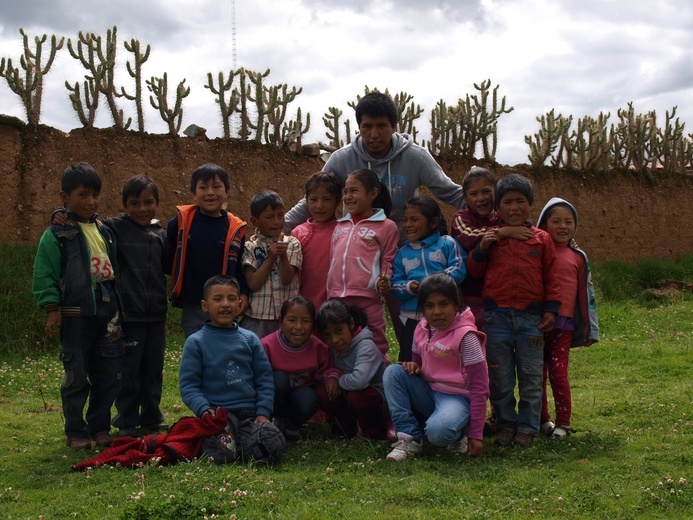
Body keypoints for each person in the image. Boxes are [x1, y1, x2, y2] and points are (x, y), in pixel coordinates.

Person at [50, 175, 170, 437]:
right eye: (134, 203)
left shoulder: (162, 234)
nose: (142, 209)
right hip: (128, 315)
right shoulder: (114, 227)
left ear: (158, 203)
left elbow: (172, 267)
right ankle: (126, 419)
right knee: (128, 370)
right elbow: (85, 222)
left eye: (148, 202)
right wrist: (60, 213)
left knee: (152, 369)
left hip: (157, 315)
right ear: (124, 205)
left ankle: (152, 415)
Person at [284, 91, 464, 241]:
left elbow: (450, 192)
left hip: (402, 251)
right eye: (367, 126)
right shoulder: (342, 159)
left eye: (381, 126)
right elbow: (313, 200)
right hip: (356, 250)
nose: (374, 134)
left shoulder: (415, 157)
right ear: (359, 127)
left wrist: (489, 212)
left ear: (394, 126)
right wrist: (273, 230)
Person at [32, 163, 124, 450]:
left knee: (107, 375)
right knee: (75, 376)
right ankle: (76, 431)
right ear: (65, 196)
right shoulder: (57, 235)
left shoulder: (105, 230)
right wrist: (51, 310)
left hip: (109, 315)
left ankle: (100, 427)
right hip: (75, 316)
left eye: (95, 194)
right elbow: (45, 273)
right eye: (83, 195)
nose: (91, 201)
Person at [467, 173, 561, 447]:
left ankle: (528, 426)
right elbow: (473, 271)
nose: (514, 208)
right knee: (500, 376)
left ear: (531, 205)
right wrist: (482, 248)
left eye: (521, 201)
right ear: (498, 208)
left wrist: (551, 310)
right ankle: (506, 423)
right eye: (507, 202)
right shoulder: (492, 237)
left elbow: (551, 277)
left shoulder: (541, 239)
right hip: (496, 318)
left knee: (531, 376)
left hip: (531, 319)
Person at [179, 274, 285, 463]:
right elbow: (189, 386)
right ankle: (213, 440)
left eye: (232, 299)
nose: (225, 304)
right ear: (205, 305)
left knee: (265, 451)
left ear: (240, 304)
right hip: (217, 415)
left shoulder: (250, 339)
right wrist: (203, 409)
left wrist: (262, 413)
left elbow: (264, 380)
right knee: (222, 455)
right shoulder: (196, 342)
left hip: (249, 415)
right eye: (218, 299)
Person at [383, 272, 489, 461]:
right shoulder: (421, 328)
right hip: (429, 393)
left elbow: (480, 388)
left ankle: (460, 432)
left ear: (456, 302)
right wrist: (413, 365)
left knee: (438, 434)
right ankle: (409, 439)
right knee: (393, 372)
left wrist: (476, 433)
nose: (437, 312)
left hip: (457, 399)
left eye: (443, 304)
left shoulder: (467, 337)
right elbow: (417, 362)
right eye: (429, 306)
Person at [537, 197, 600, 440]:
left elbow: (586, 294)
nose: (563, 226)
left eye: (569, 221)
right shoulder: (538, 250)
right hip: (537, 323)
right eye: (556, 221)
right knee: (536, 375)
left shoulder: (578, 257)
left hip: (563, 326)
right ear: (544, 224)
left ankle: (563, 422)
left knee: (558, 373)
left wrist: (588, 327)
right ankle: (543, 419)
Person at [164, 163, 248, 338]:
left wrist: (243, 293)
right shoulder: (181, 222)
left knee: (224, 347)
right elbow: (168, 256)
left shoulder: (235, 229)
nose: (210, 192)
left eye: (216, 187)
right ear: (194, 193)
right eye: (203, 187)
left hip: (225, 303)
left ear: (227, 192)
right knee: (196, 348)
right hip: (194, 303)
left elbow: (240, 266)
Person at [384, 196, 467, 362]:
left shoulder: (447, 244)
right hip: (412, 320)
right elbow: (393, 285)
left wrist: (435, 284)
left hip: (445, 318)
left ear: (434, 222)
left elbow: (459, 268)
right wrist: (408, 287)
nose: (407, 225)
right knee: (411, 362)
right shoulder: (402, 254)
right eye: (405, 220)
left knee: (444, 360)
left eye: (414, 220)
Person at [327, 168, 399, 359]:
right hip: (337, 297)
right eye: (345, 191)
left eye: (354, 191)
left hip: (368, 297)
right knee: (339, 346)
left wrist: (384, 281)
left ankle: (379, 385)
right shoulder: (340, 225)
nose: (348, 196)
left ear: (373, 193)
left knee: (377, 345)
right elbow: (332, 259)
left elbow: (388, 261)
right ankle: (343, 383)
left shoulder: (387, 226)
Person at [451, 167, 534, 329]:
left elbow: (527, 232)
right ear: (465, 198)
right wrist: (505, 232)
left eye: (486, 192)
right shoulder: (461, 217)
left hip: (501, 297)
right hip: (470, 296)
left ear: (496, 193)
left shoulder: (502, 216)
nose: (480, 198)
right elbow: (470, 237)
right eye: (474, 194)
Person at [261, 295, 332, 441]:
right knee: (279, 378)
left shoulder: (319, 348)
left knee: (309, 397)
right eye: (292, 320)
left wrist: (331, 377)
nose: (298, 327)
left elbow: (326, 370)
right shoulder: (266, 346)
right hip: (274, 399)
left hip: (300, 400)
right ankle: (275, 422)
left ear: (313, 325)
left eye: (305, 321)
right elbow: (258, 378)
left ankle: (292, 426)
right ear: (281, 321)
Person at [316, 298, 388, 440]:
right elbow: (325, 369)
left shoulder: (365, 346)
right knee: (324, 391)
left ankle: (375, 433)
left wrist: (339, 380)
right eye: (327, 335)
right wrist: (332, 377)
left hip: (377, 401)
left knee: (359, 396)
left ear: (351, 323)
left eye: (339, 331)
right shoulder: (332, 348)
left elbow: (359, 381)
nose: (335, 340)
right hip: (349, 394)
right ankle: (347, 427)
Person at [242, 190, 302, 339]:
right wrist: (270, 259)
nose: (277, 222)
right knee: (255, 355)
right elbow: (253, 284)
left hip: (286, 317)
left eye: (280, 215)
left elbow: (287, 279)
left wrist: (282, 257)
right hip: (257, 317)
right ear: (254, 221)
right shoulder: (250, 247)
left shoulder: (292, 244)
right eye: (269, 217)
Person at [290, 172, 341, 311]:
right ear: (306, 200)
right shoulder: (298, 233)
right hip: (304, 306)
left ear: (338, 201)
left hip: (335, 307)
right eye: (313, 199)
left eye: (326, 199)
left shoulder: (343, 231)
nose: (319, 206)